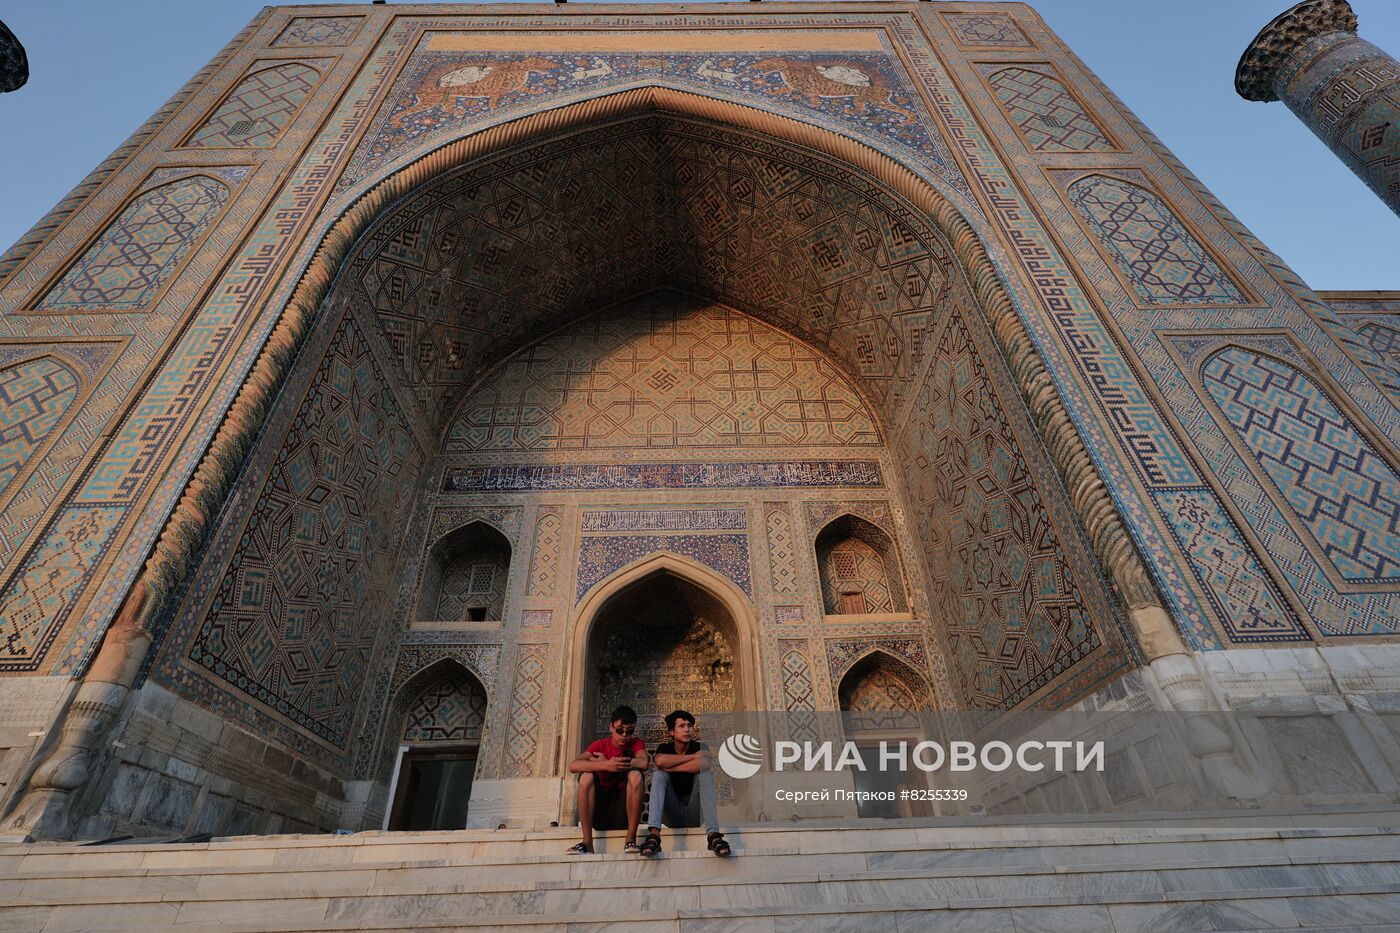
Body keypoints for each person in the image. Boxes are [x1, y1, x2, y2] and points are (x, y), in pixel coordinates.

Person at [639, 709, 731, 857]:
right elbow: (660, 761)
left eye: (689, 725)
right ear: (671, 732)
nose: (687, 729)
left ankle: (713, 835)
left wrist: (671, 767)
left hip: (695, 813)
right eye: (682, 726)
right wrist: (693, 757)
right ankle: (654, 836)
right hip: (671, 813)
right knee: (659, 775)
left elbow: (704, 764)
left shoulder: (701, 746)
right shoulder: (665, 748)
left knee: (705, 775)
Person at [566, 704, 648, 854]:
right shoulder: (600, 745)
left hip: (622, 812)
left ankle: (630, 839)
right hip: (599, 811)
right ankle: (587, 842)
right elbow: (573, 765)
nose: (624, 735)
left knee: (636, 775)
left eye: (629, 731)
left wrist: (617, 762)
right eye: (620, 730)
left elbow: (643, 762)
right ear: (611, 727)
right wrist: (605, 765)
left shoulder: (636, 743)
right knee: (586, 776)